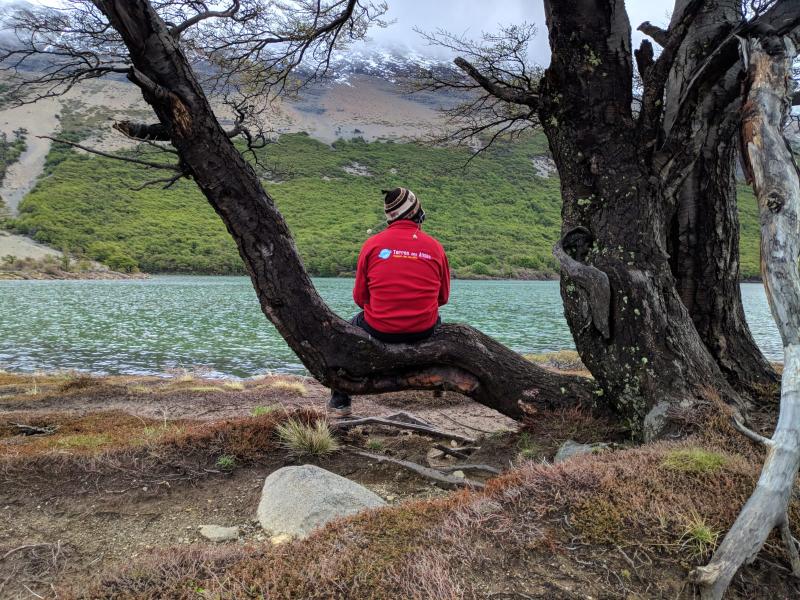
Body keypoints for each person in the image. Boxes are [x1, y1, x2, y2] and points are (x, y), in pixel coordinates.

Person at [328, 187, 450, 417]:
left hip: (379, 328)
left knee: (343, 337)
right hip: (424, 330)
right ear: (417, 213)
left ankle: (340, 401)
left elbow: (359, 299)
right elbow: (443, 298)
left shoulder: (372, 245)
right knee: (440, 324)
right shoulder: (435, 247)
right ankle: (437, 381)